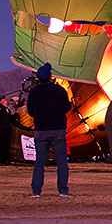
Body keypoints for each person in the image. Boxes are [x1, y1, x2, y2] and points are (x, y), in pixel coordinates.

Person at [26, 64, 72, 197]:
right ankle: (63, 190)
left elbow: (30, 111)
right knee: (62, 162)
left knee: (39, 162)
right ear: (51, 76)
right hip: (58, 130)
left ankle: (36, 191)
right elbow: (67, 107)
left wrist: (39, 116)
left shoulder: (34, 92)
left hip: (41, 131)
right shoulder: (60, 90)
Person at [0, 98, 13, 165]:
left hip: (6, 128)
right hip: (0, 127)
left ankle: (5, 160)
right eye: (4, 100)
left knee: (5, 144)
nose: (6, 101)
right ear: (1, 102)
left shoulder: (7, 109)